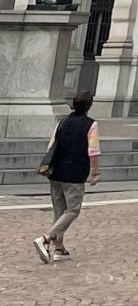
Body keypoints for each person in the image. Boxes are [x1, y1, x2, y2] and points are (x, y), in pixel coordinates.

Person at [33, 91, 99, 263]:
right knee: (73, 210)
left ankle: (59, 248)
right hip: (75, 174)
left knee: (59, 210)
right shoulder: (90, 125)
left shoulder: (62, 122)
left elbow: (51, 146)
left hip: (56, 172)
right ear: (89, 106)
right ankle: (46, 239)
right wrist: (95, 172)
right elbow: (93, 151)